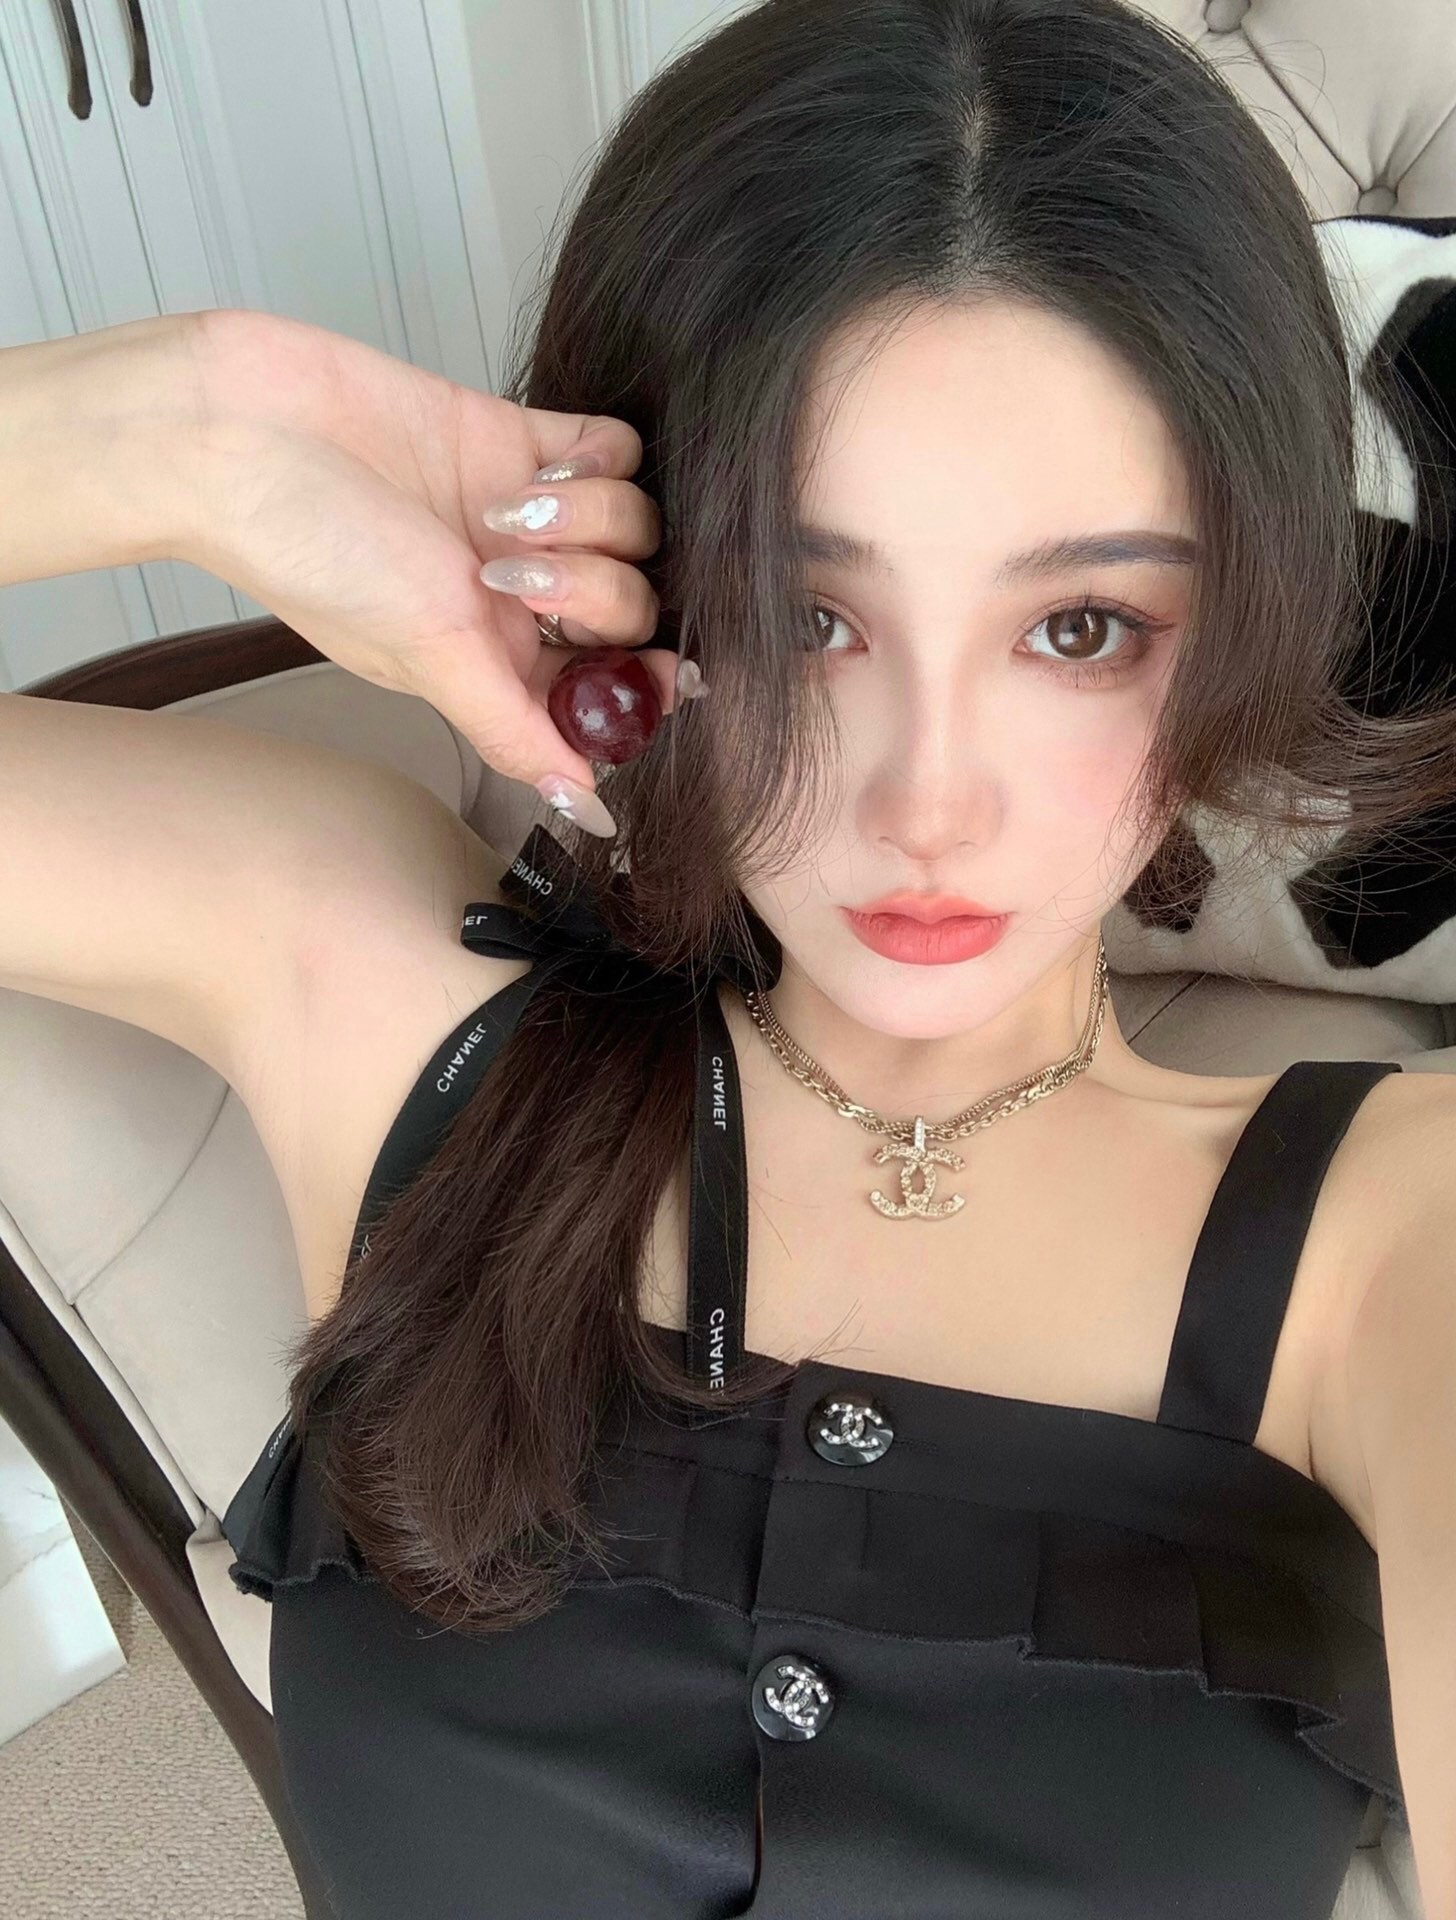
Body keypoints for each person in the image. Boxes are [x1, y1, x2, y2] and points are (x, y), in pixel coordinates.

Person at [3, 1, 1451, 1915]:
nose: (928, 803)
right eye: (805, 615)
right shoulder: (386, 989)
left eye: (1083, 627)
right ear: (651, 591)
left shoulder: (1395, 1237)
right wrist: (179, 425)